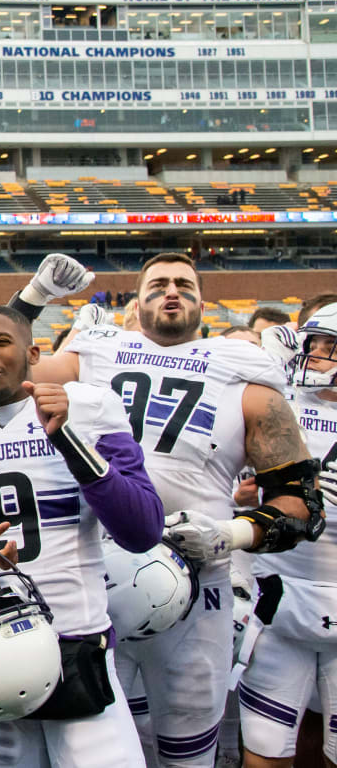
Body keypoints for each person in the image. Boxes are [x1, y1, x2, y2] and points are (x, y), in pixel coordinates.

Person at [31, 252, 322, 768]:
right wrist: (31, 301)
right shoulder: (93, 354)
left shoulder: (243, 374)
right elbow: (1, 379)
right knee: (91, 747)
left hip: (199, 583)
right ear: (135, 300)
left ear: (203, 304)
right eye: (158, 283)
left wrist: (232, 535)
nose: (172, 292)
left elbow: (303, 502)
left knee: (190, 745)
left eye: (184, 284)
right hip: (89, 577)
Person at [0, 306, 164, 768]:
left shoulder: (88, 406)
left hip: (76, 645)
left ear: (33, 353)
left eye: (0, 342)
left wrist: (69, 441)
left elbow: (143, 530)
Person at [237, 302, 337, 768]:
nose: (316, 355)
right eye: (314, 343)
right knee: (265, 746)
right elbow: (232, 484)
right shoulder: (280, 404)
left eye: (329, 346)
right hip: (278, 597)